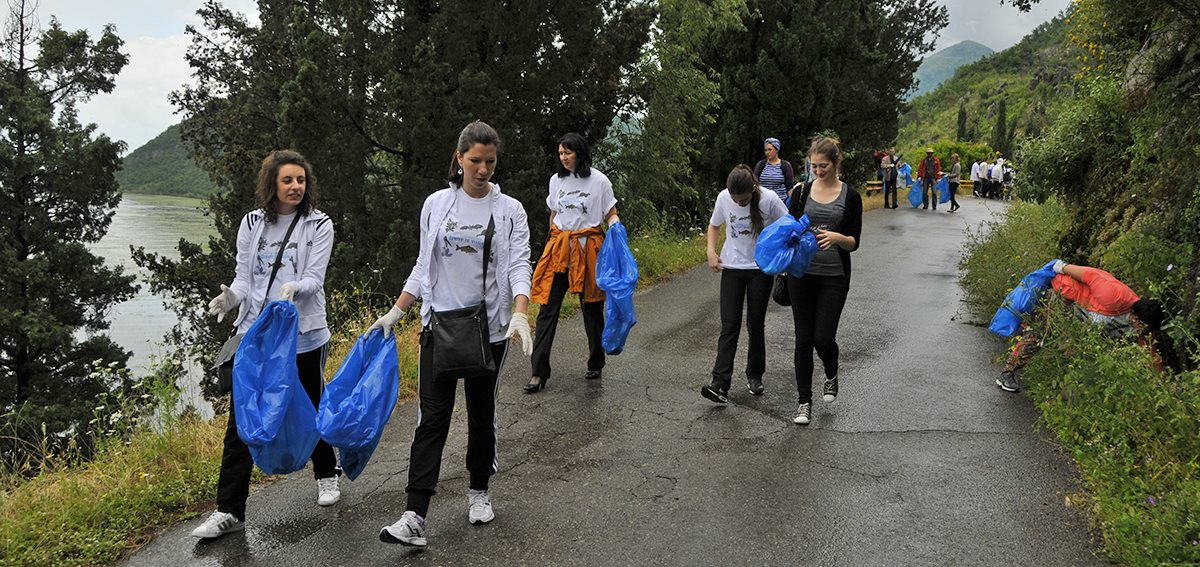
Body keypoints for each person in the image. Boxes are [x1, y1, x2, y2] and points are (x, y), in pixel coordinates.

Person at [371, 121, 533, 547]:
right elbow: (424, 266)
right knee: (431, 421)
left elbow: (519, 265)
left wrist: (519, 313)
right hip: (438, 328)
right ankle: (414, 515)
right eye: (475, 161)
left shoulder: (510, 210)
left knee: (482, 417)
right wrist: (396, 312)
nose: (483, 169)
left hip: (489, 331)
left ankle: (479, 490)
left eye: (490, 162)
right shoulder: (437, 205)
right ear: (459, 158)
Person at [193, 150, 338, 539]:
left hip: (303, 334)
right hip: (256, 336)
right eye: (287, 180)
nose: (295, 187)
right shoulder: (252, 224)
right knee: (241, 420)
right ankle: (229, 510)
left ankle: (326, 473)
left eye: (301, 180)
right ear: (272, 183)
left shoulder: (318, 225)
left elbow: (314, 279)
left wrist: (293, 288)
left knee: (309, 402)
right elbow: (245, 279)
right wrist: (231, 299)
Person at [525, 133, 620, 393]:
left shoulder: (599, 181)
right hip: (561, 250)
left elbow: (610, 214)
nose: (564, 158)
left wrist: (617, 235)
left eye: (568, 153)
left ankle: (596, 360)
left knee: (591, 306)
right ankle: (538, 372)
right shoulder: (556, 181)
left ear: (580, 152)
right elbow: (554, 214)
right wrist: (554, 241)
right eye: (560, 154)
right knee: (547, 307)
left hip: (589, 248)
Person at [786, 137, 862, 425]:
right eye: (813, 165)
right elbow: (789, 230)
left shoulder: (851, 196)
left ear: (836, 163)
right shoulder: (801, 192)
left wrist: (837, 237)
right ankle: (804, 402)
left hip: (834, 276)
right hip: (801, 274)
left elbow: (854, 241)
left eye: (823, 166)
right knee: (803, 339)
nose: (817, 170)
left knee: (823, 337)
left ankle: (831, 371)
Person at [997, 262, 1164, 392]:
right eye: (1142, 327)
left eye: (1145, 330)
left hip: (1085, 318)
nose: (1142, 332)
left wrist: (1163, 386)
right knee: (1042, 334)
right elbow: (1091, 275)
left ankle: (1070, 386)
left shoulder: (1140, 327)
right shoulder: (1115, 295)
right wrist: (1062, 267)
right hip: (1066, 296)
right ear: (1136, 317)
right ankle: (1007, 373)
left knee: (1081, 348)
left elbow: (1151, 354)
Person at [699, 165, 790, 403]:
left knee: (755, 324)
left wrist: (781, 256)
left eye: (744, 200)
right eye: (735, 200)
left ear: (753, 189)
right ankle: (719, 384)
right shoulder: (723, 197)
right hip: (732, 268)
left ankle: (755, 376)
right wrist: (710, 251)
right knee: (729, 326)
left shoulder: (769, 200)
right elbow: (714, 225)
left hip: (760, 270)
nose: (739, 204)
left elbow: (789, 224)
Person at [753, 137, 796, 204]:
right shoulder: (761, 165)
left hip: (780, 202)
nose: (767, 152)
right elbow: (755, 183)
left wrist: (791, 204)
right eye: (765, 150)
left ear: (776, 150)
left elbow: (790, 187)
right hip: (763, 202)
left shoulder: (785, 165)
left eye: (770, 150)